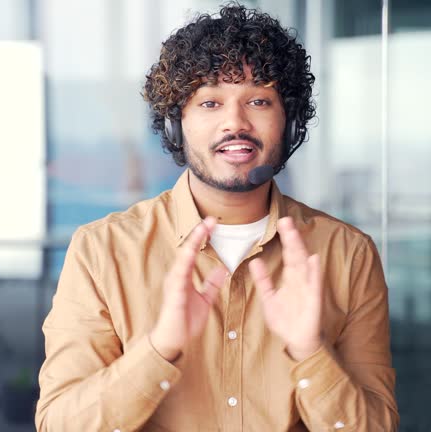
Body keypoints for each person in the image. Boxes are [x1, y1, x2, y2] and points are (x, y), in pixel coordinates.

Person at [35, 3, 398, 431]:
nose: (235, 123)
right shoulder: (102, 250)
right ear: (176, 124)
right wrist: (159, 349)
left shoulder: (347, 254)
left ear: (291, 123)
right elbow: (59, 425)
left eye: (260, 100)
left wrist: (310, 352)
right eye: (209, 103)